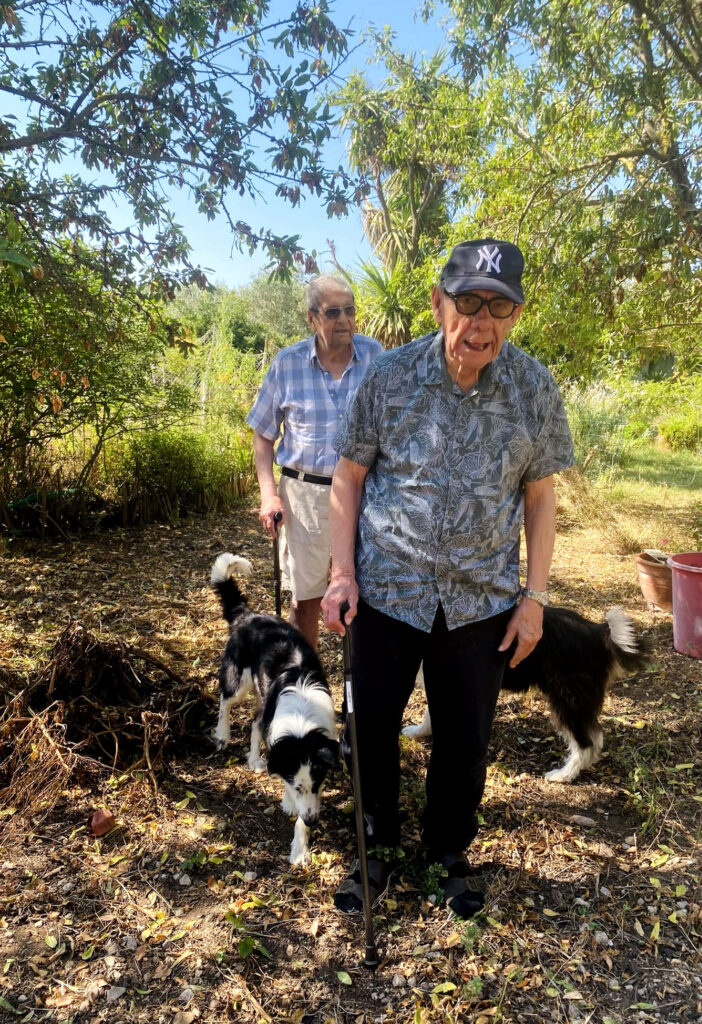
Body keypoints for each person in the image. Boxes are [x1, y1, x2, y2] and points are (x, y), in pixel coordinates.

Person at [321, 238, 575, 918]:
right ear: (439, 304)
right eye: (468, 303)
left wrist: (535, 598)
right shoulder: (389, 378)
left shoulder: (533, 387)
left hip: (480, 599)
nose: (481, 323)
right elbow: (347, 479)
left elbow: (540, 496)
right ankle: (372, 844)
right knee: (370, 725)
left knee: (465, 737)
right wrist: (342, 573)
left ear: (515, 316)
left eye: (499, 307)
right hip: (385, 590)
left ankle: (446, 852)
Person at [247, 275, 382, 651]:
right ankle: (305, 687)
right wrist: (268, 495)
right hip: (303, 493)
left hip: (364, 494)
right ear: (312, 318)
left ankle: (359, 691)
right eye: (333, 311)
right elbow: (263, 434)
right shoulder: (287, 364)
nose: (344, 320)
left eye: (350, 310)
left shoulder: (376, 357)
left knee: (365, 592)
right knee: (304, 596)